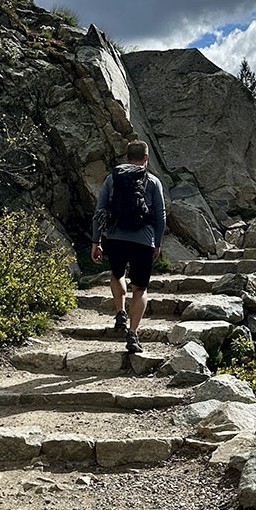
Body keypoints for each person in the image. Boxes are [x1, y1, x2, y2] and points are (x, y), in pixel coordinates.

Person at [91, 140, 166, 353]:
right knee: (140, 288)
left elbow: (100, 210)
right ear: (146, 158)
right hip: (144, 240)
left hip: (115, 237)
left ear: (126, 158)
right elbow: (160, 215)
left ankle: (120, 311)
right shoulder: (153, 181)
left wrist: (96, 241)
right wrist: (157, 243)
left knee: (117, 274)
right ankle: (133, 334)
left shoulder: (112, 179)